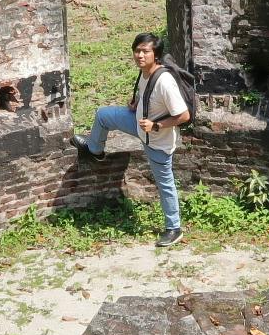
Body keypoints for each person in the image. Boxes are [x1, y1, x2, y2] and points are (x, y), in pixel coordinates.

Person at [73, 32, 192, 247]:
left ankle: (174, 228)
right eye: (137, 50)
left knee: (165, 184)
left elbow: (184, 115)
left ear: (155, 54)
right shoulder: (144, 73)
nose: (140, 55)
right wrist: (136, 105)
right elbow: (148, 99)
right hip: (139, 125)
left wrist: (156, 125)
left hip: (157, 141)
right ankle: (94, 151)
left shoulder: (164, 81)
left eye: (145, 51)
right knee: (103, 115)